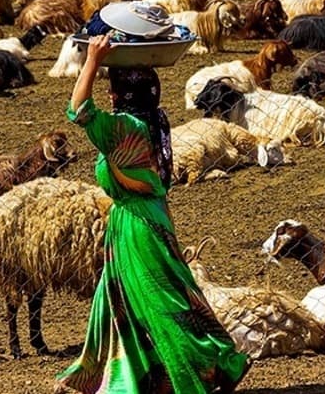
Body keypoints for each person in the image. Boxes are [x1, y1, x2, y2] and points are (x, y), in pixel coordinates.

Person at [56, 34, 249, 394]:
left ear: (119, 95)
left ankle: (204, 371)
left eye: (113, 90)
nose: (110, 96)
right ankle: (141, 377)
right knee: (132, 298)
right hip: (153, 217)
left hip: (137, 227)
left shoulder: (124, 129)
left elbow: (77, 109)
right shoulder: (156, 122)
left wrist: (93, 60)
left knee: (159, 302)